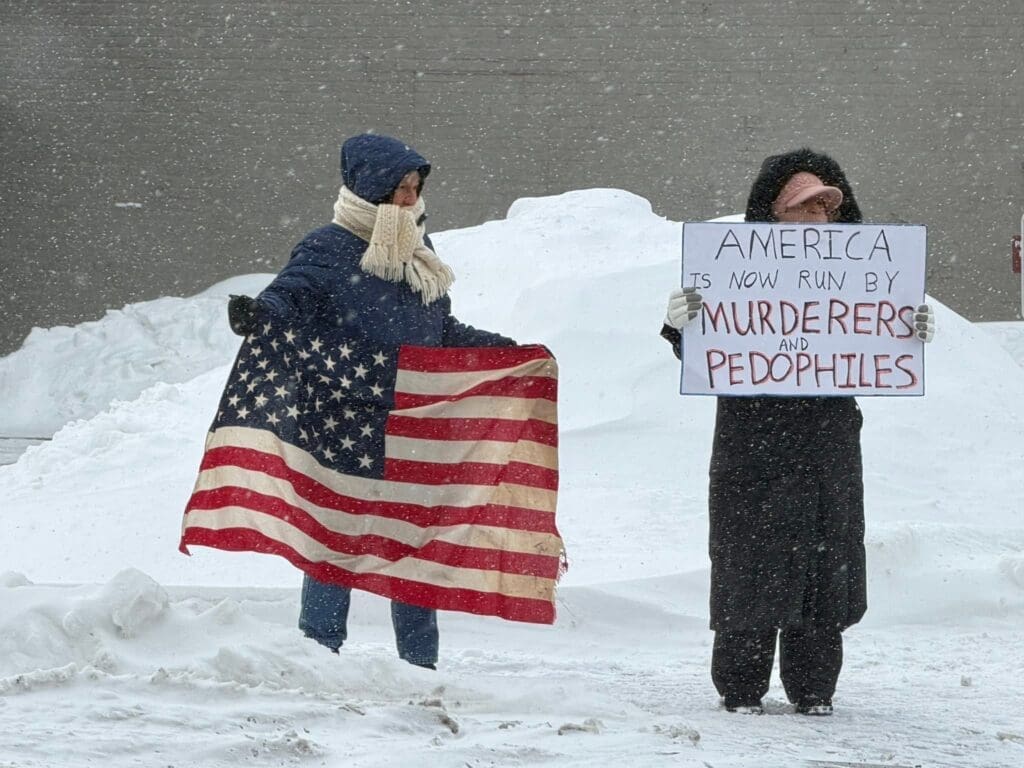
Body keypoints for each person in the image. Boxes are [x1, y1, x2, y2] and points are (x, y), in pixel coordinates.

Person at [226, 133, 517, 669]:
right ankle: (320, 662)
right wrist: (259, 313)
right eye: (398, 189)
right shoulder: (328, 248)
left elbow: (439, 329)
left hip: (412, 425)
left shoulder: (417, 253)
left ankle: (419, 671)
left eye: (414, 188)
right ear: (369, 189)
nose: (409, 199)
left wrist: (507, 352)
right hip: (343, 426)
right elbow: (288, 298)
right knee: (334, 546)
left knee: (415, 551)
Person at [661, 148, 936, 715]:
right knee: (749, 559)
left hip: (828, 442)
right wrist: (679, 325)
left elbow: (871, 336)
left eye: (827, 207)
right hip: (752, 441)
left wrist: (907, 329)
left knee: (825, 559)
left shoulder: (859, 276)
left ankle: (814, 687)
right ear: (774, 214)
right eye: (804, 206)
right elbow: (714, 350)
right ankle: (740, 686)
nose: (817, 218)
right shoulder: (736, 270)